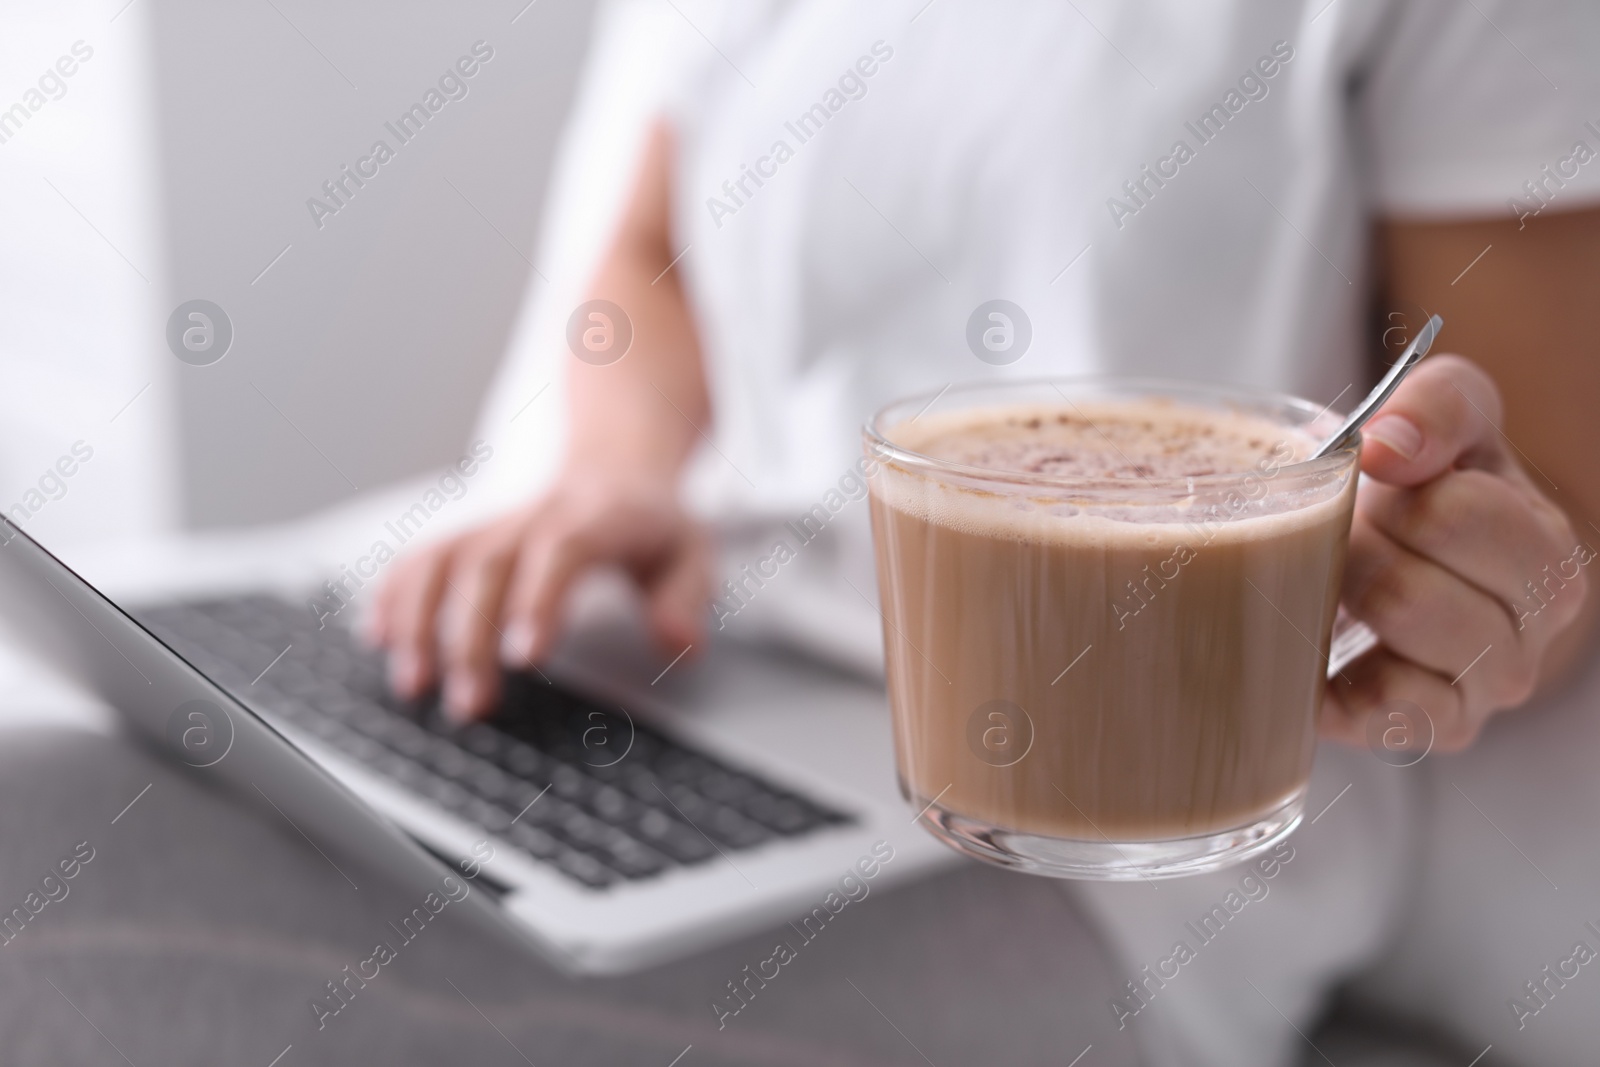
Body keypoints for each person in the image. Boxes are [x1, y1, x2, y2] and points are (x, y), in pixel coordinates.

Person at [4, 2, 1598, 1065]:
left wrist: (1457, 578)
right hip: (679, 671)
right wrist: (610, 474)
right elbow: (651, 247)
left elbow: (1544, 516)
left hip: (1104, 847)